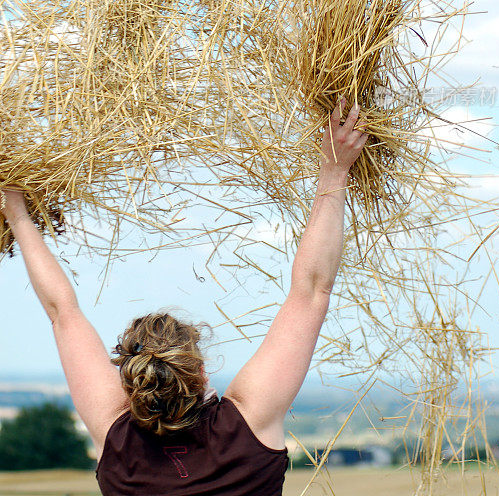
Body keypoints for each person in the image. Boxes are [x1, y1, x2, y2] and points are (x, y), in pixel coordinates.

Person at [0, 98, 368, 495]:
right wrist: (334, 169)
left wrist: (16, 209)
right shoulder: (247, 423)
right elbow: (311, 291)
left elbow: (62, 313)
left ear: (131, 381)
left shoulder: (116, 439)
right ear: (201, 373)